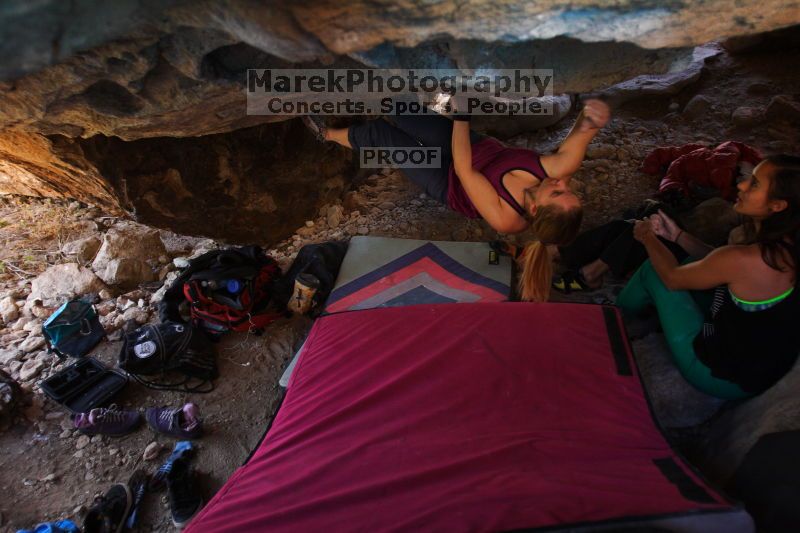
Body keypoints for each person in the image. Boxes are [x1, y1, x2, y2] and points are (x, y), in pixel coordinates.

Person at [305, 98, 611, 301]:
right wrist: (593, 116)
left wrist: (462, 115)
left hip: (450, 181)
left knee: (384, 136)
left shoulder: (506, 217)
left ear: (534, 208)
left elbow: (464, 170)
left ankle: (327, 134)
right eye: (570, 190)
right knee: (401, 107)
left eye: (559, 192)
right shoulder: (555, 172)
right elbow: (583, 130)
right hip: (479, 150)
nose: (562, 183)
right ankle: (359, 97)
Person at [617, 155, 800, 399]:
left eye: (754, 184)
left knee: (655, 271)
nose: (741, 185)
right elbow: (720, 263)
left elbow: (672, 278)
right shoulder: (787, 244)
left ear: (778, 205)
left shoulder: (744, 258)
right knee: (694, 263)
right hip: (760, 366)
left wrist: (647, 237)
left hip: (719, 377)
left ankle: (616, 318)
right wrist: (678, 236)